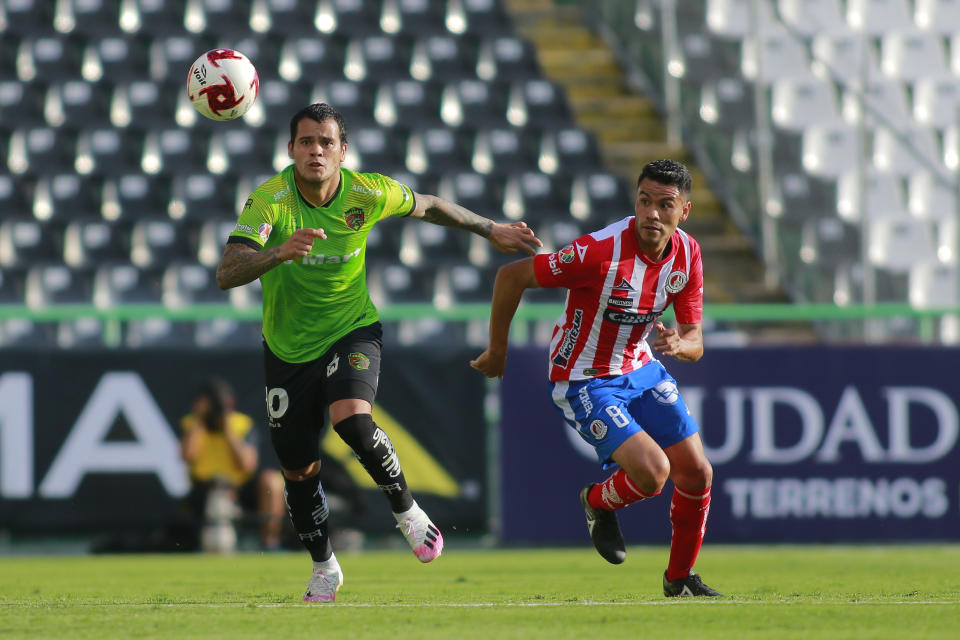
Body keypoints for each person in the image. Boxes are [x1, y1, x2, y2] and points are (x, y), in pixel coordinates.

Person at [215, 103, 542, 602]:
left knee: (351, 419)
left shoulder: (367, 192)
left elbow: (430, 205)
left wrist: (489, 228)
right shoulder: (271, 203)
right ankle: (325, 568)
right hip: (287, 349)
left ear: (343, 151)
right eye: (306, 142)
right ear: (290, 150)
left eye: (326, 142)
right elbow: (227, 270)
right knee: (299, 471)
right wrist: (277, 252)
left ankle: (407, 513)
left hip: (353, 328)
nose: (316, 151)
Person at [470, 159, 721, 598]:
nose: (651, 214)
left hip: (639, 368)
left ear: (685, 211)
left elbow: (695, 338)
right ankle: (595, 501)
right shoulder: (599, 251)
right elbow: (512, 276)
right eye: (644, 201)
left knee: (698, 473)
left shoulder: (688, 253)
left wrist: (682, 345)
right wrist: (498, 350)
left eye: (665, 205)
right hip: (583, 379)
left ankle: (679, 578)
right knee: (653, 473)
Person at [179, 378, 286, 551]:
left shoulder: (242, 423)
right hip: (205, 489)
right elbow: (187, 455)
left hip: (240, 488)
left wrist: (226, 426)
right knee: (215, 493)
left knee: (272, 482)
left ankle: (270, 543)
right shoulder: (192, 423)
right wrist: (201, 420)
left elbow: (247, 464)